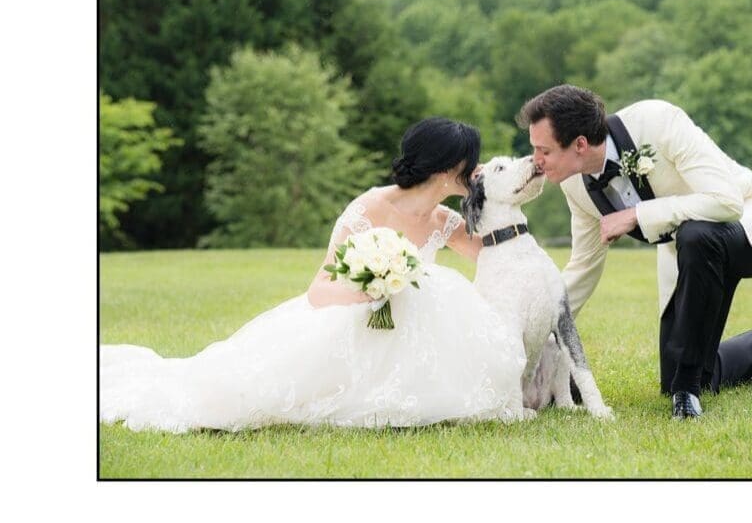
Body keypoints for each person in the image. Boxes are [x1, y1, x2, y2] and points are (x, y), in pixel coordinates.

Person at [101, 118, 529, 433]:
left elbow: (496, 258)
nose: (476, 170)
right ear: (446, 166)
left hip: (414, 330)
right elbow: (320, 290)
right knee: (248, 392)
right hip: (354, 323)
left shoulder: (443, 219)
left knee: (440, 295)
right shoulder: (369, 211)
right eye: (471, 163)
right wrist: (375, 287)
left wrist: (507, 197)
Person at [518, 85, 752, 420]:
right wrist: (531, 334)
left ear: (580, 145)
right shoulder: (575, 183)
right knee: (675, 377)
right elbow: (582, 267)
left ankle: (688, 391)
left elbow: (727, 201)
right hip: (686, 254)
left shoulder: (658, 121)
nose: (536, 163)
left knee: (697, 235)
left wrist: (638, 215)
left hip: (750, 223)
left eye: (544, 151)